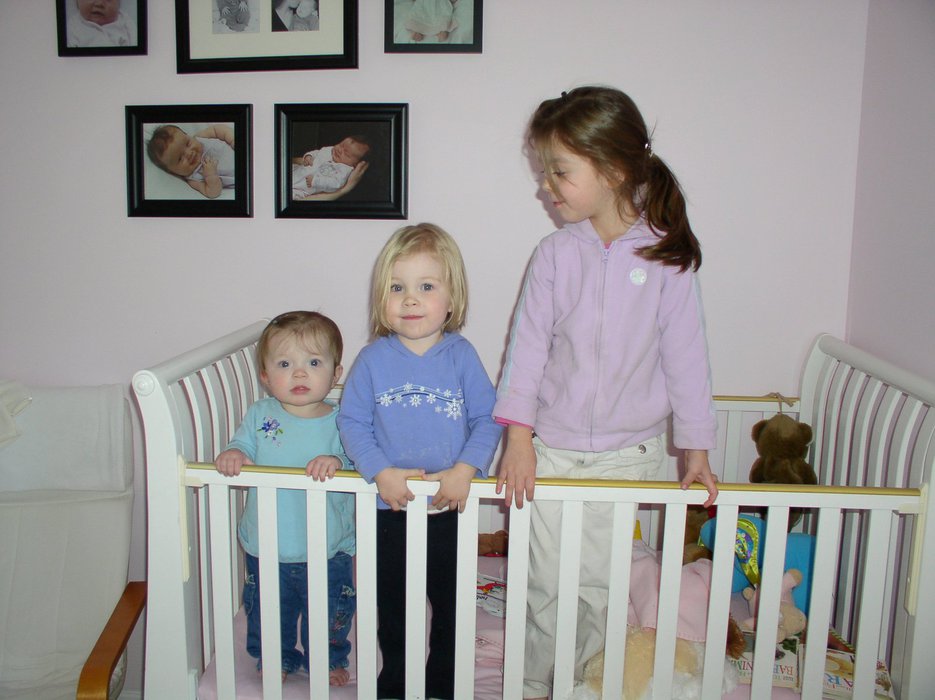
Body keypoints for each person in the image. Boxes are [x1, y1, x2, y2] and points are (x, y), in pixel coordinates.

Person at [493, 85, 720, 699]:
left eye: (559, 172)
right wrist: (519, 439)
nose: (547, 186)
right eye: (545, 172)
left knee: (599, 586)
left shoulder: (667, 259)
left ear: (614, 170)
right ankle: (534, 685)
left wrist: (696, 448)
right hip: (552, 452)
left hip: (631, 455)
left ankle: (583, 684)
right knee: (544, 582)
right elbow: (527, 352)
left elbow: (687, 360)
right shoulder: (554, 256)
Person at [337, 223, 502, 700]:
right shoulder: (372, 359)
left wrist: (465, 470)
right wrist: (380, 472)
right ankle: (396, 680)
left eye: (425, 287)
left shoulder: (461, 356)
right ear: (382, 300)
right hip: (388, 508)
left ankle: (442, 685)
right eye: (397, 288)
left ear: (452, 299)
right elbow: (352, 423)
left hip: (448, 508)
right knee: (392, 605)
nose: (410, 300)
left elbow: (488, 419)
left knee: (450, 604)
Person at [215, 311, 356, 686]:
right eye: (284, 363)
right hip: (268, 543)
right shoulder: (261, 414)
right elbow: (242, 443)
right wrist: (235, 454)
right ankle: (275, 656)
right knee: (266, 609)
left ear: (336, 373)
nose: (299, 374)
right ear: (265, 376)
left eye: (313, 362)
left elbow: (358, 462)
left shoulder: (343, 420)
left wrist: (337, 460)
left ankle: (326, 659)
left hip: (327, 545)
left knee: (330, 612)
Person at [146, 124, 235, 199]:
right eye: (180, 158)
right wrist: (211, 176)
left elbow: (218, 130)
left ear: (187, 135)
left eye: (188, 143)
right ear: (173, 172)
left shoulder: (200, 137)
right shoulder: (193, 179)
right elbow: (213, 193)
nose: (189, 153)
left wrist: (232, 140)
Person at [291, 136, 371, 201]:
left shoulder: (344, 170)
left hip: (302, 189)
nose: (340, 150)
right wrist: (308, 156)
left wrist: (316, 181)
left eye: (346, 153)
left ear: (355, 165)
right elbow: (316, 152)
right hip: (297, 171)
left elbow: (335, 184)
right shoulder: (329, 150)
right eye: (341, 144)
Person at [67, 0, 136, 48]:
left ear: (119, 4)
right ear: (77, 2)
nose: (99, 4)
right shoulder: (74, 26)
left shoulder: (125, 23)